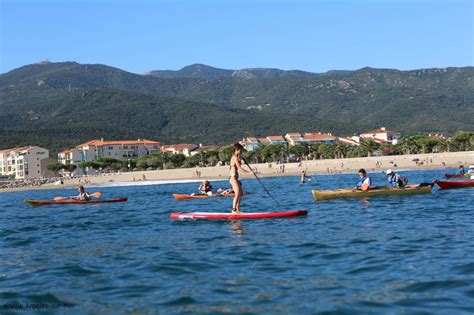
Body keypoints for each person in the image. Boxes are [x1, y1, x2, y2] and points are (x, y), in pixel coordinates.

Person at [229, 143, 250, 213]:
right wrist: (249, 172)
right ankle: (233, 210)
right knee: (237, 193)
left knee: (241, 193)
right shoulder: (234, 157)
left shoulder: (237, 157)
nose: (241, 151)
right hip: (233, 178)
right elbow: (240, 169)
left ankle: (238, 209)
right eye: (241, 150)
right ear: (237, 150)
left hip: (236, 179)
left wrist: (241, 159)